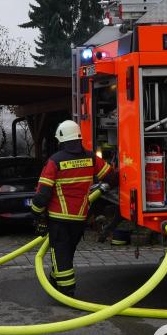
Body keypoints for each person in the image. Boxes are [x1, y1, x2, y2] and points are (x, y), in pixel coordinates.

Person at [30, 120, 114, 297]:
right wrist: (105, 187)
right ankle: (56, 278)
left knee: (61, 252)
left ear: (61, 139)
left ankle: (66, 290)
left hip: (59, 218)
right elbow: (111, 177)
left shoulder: (55, 161)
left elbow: (42, 195)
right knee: (66, 253)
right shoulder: (91, 158)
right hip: (80, 218)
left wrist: (36, 214)